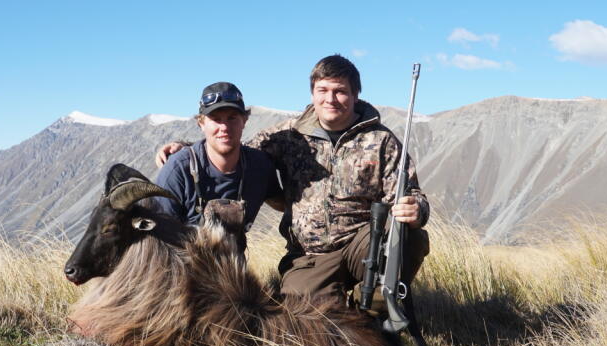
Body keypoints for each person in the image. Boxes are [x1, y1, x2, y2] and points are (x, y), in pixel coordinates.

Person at [157, 55, 430, 302]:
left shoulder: (382, 141)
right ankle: (338, 305)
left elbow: (412, 195)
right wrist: (183, 149)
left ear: (355, 94)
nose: (330, 99)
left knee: (408, 238)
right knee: (308, 326)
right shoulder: (287, 135)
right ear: (312, 93)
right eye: (322, 90)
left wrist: (417, 209)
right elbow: (230, 145)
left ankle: (375, 305)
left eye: (340, 91)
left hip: (362, 244)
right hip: (310, 257)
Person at [153, 82, 280, 232]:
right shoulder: (178, 170)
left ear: (244, 121)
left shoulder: (260, 166)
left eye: (232, 118)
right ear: (201, 123)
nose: (224, 128)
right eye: (215, 119)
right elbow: (159, 237)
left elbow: (282, 203)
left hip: (234, 255)